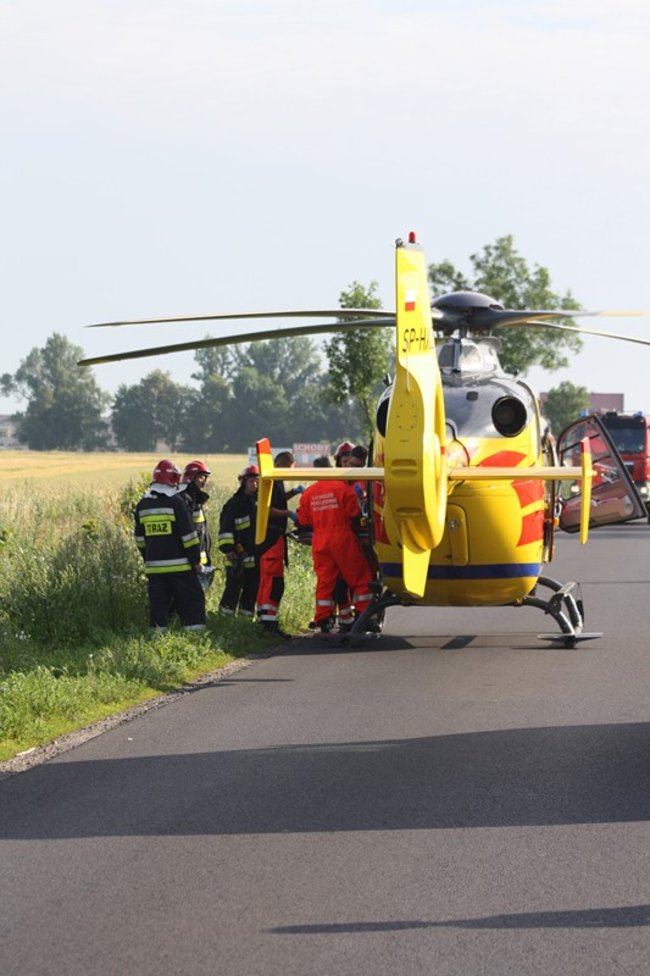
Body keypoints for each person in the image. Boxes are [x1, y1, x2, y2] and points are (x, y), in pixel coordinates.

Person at [134, 459, 206, 632]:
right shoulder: (176, 502)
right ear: (174, 480)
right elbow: (188, 537)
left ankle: (158, 640)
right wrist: (196, 561)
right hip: (181, 569)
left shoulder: (142, 505)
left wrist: (149, 558)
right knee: (192, 601)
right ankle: (194, 636)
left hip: (155, 571)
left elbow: (139, 539)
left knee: (158, 608)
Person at [297, 475, 373, 633]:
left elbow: (303, 520)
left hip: (319, 541)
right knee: (360, 578)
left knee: (325, 581)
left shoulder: (309, 492)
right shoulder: (343, 489)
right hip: (342, 538)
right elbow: (355, 514)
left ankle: (323, 619)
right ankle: (363, 614)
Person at [255, 450, 303, 639]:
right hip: (271, 538)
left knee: (269, 581)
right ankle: (269, 624)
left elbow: (278, 501)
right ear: (286, 464)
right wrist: (288, 514)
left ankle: (265, 620)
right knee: (273, 582)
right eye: (291, 468)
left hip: (273, 539)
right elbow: (267, 510)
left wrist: (292, 492)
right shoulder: (273, 480)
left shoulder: (275, 480)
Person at [218, 464, 260, 618]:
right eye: (251, 481)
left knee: (251, 590)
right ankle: (224, 619)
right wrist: (229, 549)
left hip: (254, 557)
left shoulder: (259, 503)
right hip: (237, 556)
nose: (254, 484)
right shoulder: (234, 504)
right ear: (243, 482)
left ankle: (245, 621)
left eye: (257, 481)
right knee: (232, 590)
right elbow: (226, 527)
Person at [179, 459, 212, 567]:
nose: (203, 481)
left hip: (199, 561)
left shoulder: (196, 500)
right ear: (191, 477)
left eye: (205, 478)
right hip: (191, 563)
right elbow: (187, 531)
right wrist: (195, 560)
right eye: (201, 477)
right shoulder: (185, 499)